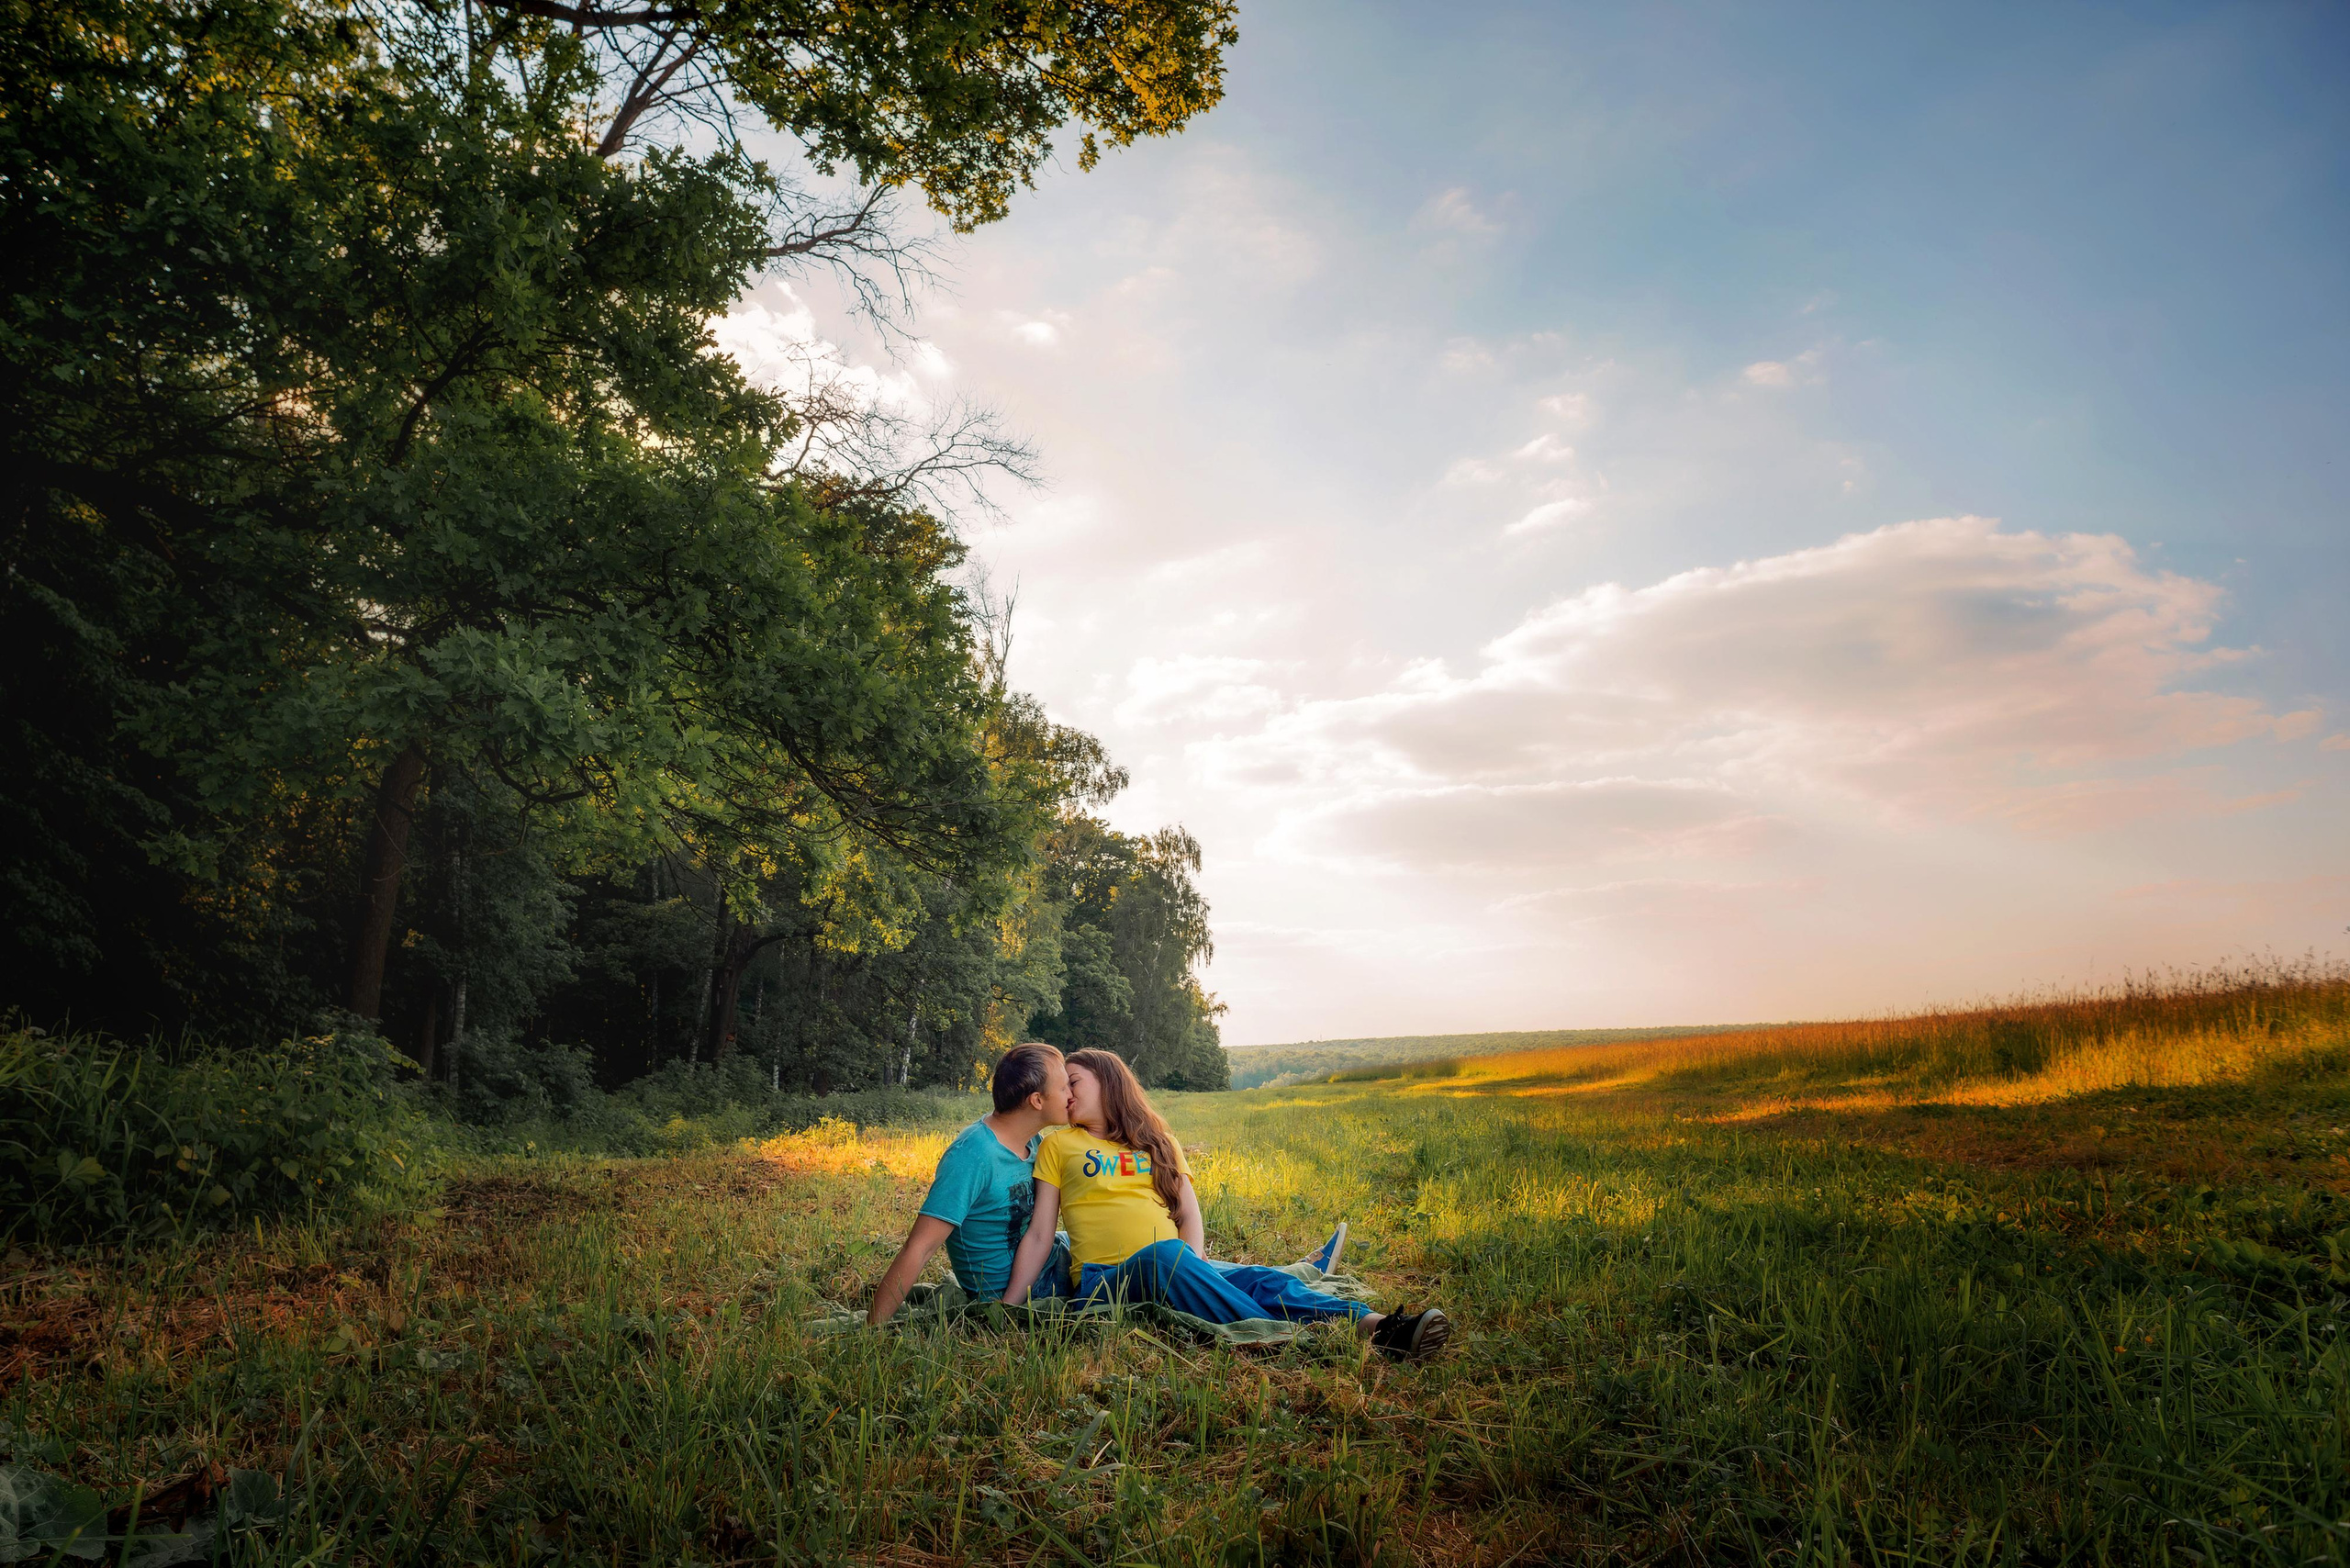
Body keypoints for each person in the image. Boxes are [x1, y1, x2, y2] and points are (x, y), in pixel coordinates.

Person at [999, 1047, 1450, 1360]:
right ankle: (1286, 1337)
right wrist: (1011, 1305)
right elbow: (1041, 1232)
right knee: (1165, 1257)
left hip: (1176, 1263)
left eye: (1074, 1082)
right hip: (1106, 1282)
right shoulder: (1059, 1146)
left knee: (1262, 1278)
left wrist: (1195, 1264)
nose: (1068, 1094)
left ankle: (1383, 1328)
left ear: (1110, 1082)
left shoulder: (1158, 1143)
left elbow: (1188, 1213)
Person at [866, 1042, 1074, 1326]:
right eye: (1064, 1088)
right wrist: (873, 1327)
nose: (1071, 1095)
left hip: (1042, 1261)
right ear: (1037, 1101)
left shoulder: (1032, 1141)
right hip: (1017, 1290)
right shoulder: (972, 1156)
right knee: (1128, 1267)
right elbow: (920, 1247)